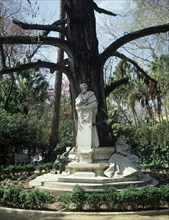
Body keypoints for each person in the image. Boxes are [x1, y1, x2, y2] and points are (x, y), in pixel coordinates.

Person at [75, 83, 99, 159]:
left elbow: (94, 104)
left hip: (89, 116)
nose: (82, 89)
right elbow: (77, 105)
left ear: (86, 87)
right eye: (81, 88)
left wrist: (84, 106)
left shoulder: (91, 94)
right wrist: (83, 107)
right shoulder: (79, 96)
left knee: (90, 129)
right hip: (81, 116)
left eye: (83, 87)